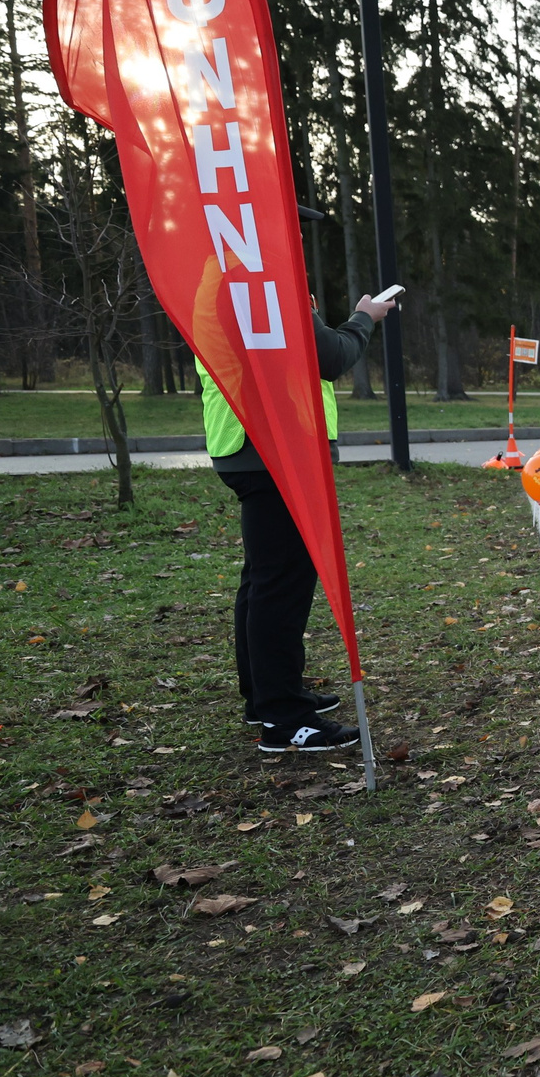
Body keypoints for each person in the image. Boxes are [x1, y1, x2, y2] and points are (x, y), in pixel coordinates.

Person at [208, 287, 396, 753]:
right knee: (281, 585)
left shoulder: (219, 277)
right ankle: (286, 719)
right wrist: (363, 317)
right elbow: (329, 357)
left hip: (246, 444)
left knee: (262, 580)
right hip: (277, 447)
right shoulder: (262, 280)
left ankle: (266, 698)